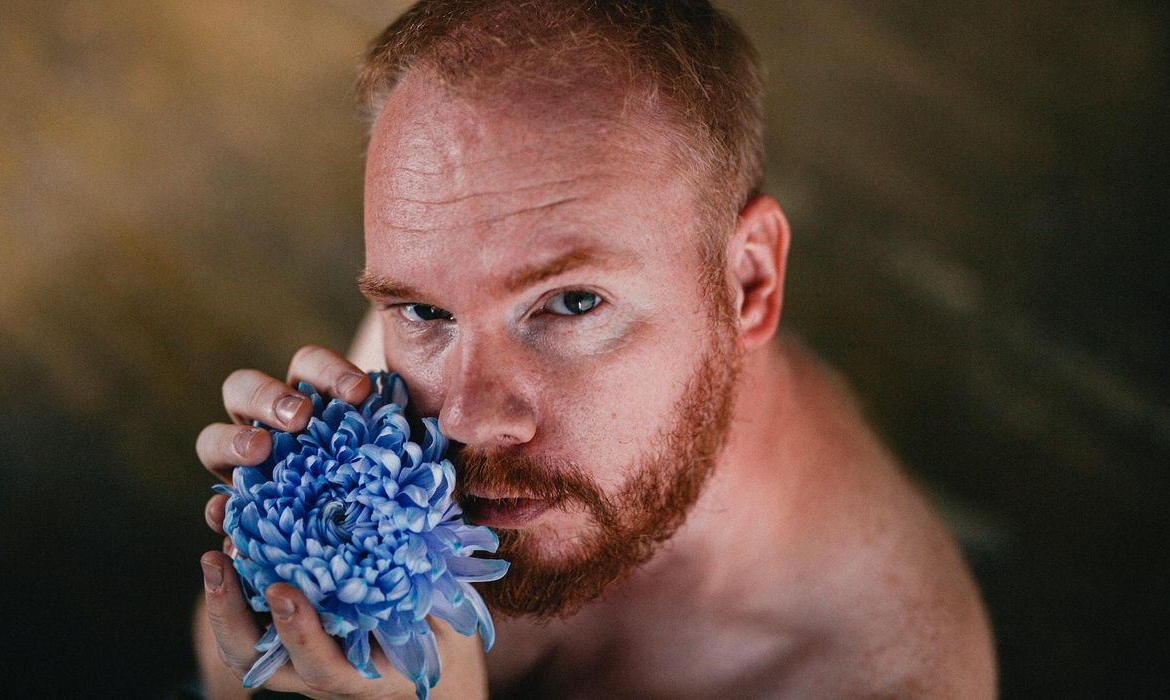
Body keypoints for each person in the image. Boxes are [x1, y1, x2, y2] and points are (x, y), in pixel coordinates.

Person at [193, 1, 996, 697]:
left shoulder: (876, 677)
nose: (467, 420)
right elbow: (232, 671)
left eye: (571, 303)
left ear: (747, 281)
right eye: (423, 309)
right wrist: (268, 574)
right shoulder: (414, 392)